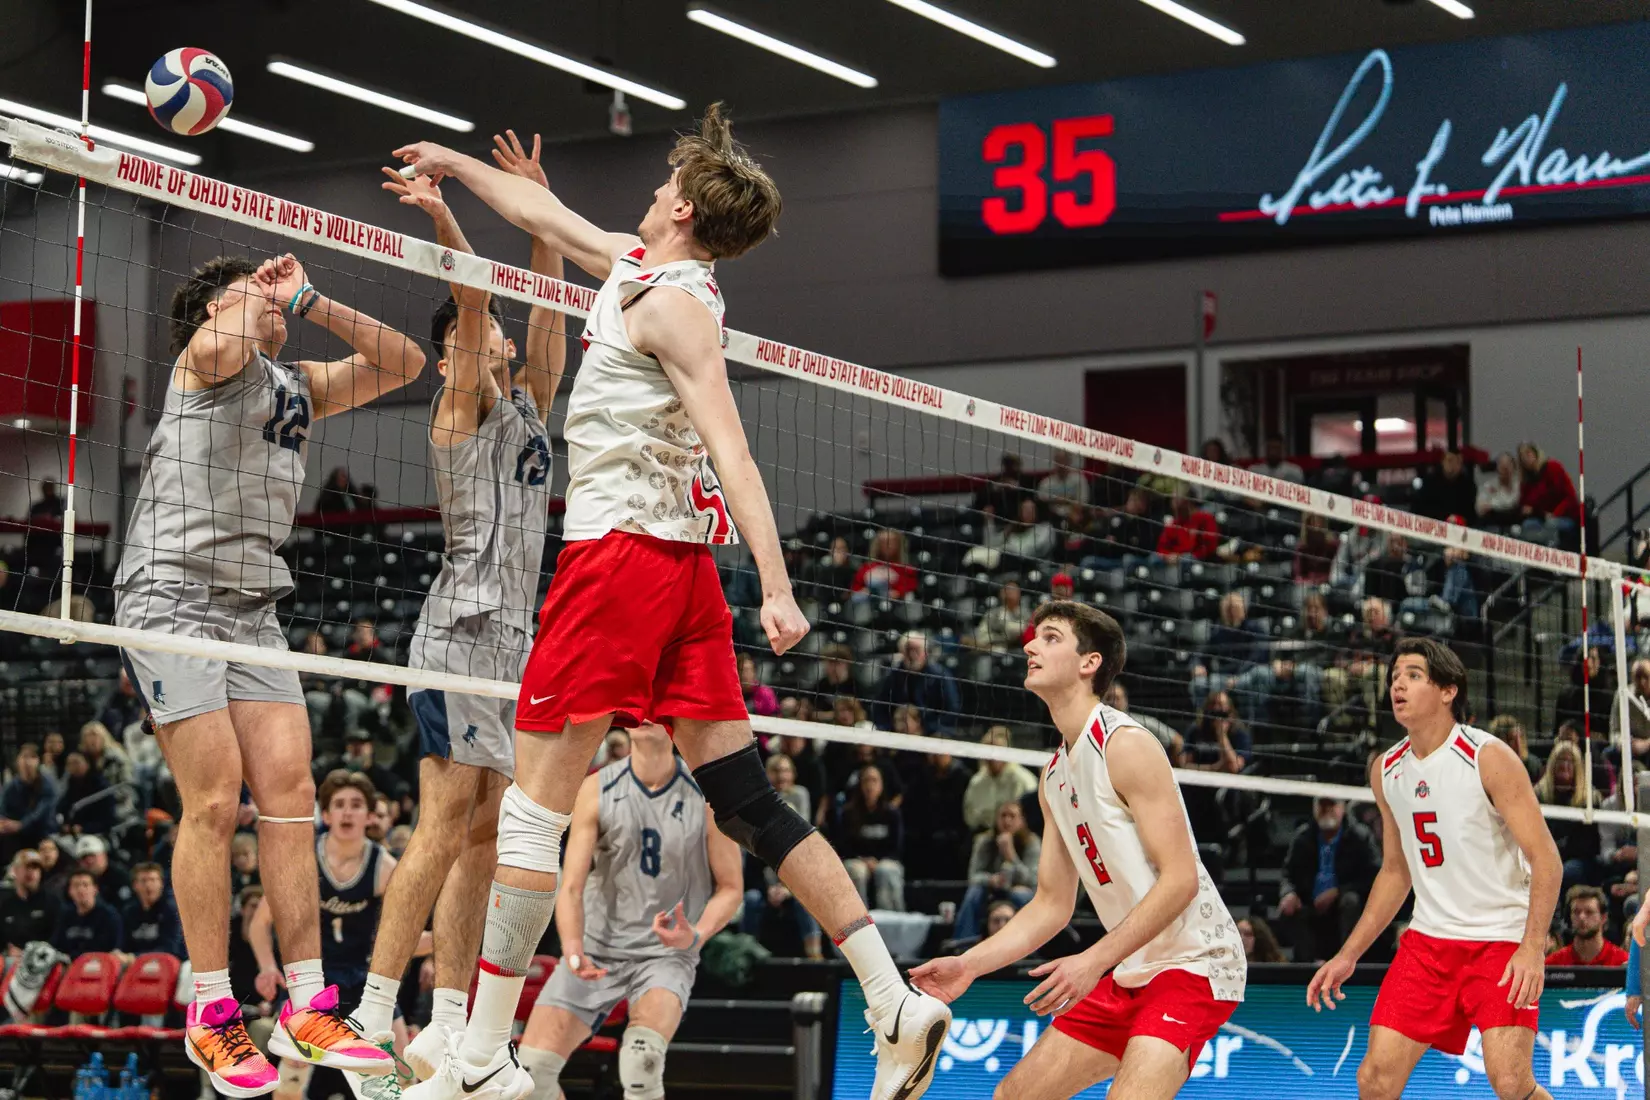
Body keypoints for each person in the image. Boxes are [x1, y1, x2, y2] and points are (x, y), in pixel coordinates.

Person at [396, 104, 949, 1100]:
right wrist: (455, 165)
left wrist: (778, 585)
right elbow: (549, 214)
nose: (648, 192)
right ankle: (891, 997)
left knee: (531, 811)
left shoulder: (676, 306)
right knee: (746, 798)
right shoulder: (635, 268)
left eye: (661, 185)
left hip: (622, 562)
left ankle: (480, 1058)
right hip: (676, 571)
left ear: (683, 210)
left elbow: (735, 449)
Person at [114, 250, 424, 1094]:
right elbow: (232, 333)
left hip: (252, 605)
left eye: (266, 295)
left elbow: (405, 363)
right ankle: (210, 1010)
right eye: (247, 295)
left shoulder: (296, 385)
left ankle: (305, 1002)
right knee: (216, 798)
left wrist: (309, 297)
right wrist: (250, 295)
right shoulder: (201, 361)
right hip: (168, 592)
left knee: (292, 795)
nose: (267, 304)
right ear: (214, 311)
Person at [355, 143, 567, 1086]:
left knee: (488, 829)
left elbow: (546, 316)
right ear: (454, 353)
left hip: (514, 645)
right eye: (478, 338)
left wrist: (542, 217)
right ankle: (368, 1011)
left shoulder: (529, 409)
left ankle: (447, 1020)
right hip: (458, 633)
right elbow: (480, 305)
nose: (502, 343)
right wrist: (445, 218)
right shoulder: (459, 403)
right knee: (445, 817)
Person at [912, 602, 1245, 1099]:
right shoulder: (1053, 777)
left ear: (1089, 662)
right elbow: (1051, 903)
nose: (1029, 645)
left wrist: (1091, 962)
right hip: (1131, 968)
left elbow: (1181, 881)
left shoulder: (1126, 745)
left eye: (1049, 637)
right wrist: (971, 964)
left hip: (1195, 963)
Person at [1305, 638, 1561, 1100]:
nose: (1397, 684)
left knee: (1510, 1082)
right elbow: (1396, 872)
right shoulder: (1385, 769)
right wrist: (1348, 954)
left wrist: (1532, 947)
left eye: (1413, 675)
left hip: (1500, 941)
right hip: (1429, 943)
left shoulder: (1488, 756)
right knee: (1374, 1080)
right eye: (1394, 677)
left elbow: (1547, 859)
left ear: (1448, 690)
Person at [515, 720, 742, 1100]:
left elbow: (732, 888)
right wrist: (572, 949)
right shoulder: (597, 787)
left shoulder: (705, 794)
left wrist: (697, 934)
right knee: (531, 1077)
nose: (646, 715)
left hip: (663, 955)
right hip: (596, 948)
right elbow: (570, 886)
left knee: (641, 1062)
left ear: (673, 722)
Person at [251, 771, 420, 1100]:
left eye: (356, 805)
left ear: (370, 815)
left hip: (363, 979)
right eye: (339, 805)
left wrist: (445, 945)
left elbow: (404, 936)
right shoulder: (304, 860)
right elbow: (259, 924)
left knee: (403, 1070)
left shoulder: (384, 866)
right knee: (291, 1076)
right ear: (325, 814)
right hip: (314, 979)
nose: (347, 812)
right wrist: (268, 966)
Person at [1277, 798, 1381, 963]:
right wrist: (1289, 893)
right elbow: (1288, 875)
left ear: (1342, 808)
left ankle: (1347, 959)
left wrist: (1338, 891)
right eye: (1322, 805)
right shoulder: (1303, 837)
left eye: (1332, 805)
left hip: (1345, 903)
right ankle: (1308, 965)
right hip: (1311, 903)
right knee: (1287, 910)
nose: (1327, 810)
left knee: (1350, 901)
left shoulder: (1360, 836)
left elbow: (1373, 876)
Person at [955, 801, 1040, 940]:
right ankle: (963, 943)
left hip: (1018, 891)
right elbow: (973, 876)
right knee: (974, 893)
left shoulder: (1032, 843)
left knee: (1023, 897)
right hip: (991, 891)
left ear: (1022, 820)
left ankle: (1031, 946)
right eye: (1003, 816)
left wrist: (1011, 855)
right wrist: (990, 880)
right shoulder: (984, 841)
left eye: (1012, 816)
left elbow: (1033, 880)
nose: (1007, 820)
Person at [832, 765, 906, 912]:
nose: (870, 785)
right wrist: (862, 859)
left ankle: (890, 918)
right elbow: (843, 846)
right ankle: (857, 920)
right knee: (856, 871)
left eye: (874, 780)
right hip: (858, 860)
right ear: (860, 785)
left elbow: (897, 847)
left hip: (885, 860)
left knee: (886, 871)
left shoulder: (892, 813)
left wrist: (877, 861)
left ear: (881, 785)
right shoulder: (848, 813)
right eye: (866, 781)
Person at [875, 631, 961, 736]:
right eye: (908, 650)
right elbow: (880, 707)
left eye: (916, 650)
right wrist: (889, 728)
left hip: (933, 730)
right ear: (902, 652)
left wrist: (927, 728)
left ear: (925, 652)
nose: (912, 655)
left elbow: (952, 709)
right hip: (898, 731)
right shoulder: (892, 676)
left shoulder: (940, 675)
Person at [962, 726, 1038, 834]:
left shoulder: (1023, 779)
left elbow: (1031, 816)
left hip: (1017, 836)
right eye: (987, 752)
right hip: (982, 834)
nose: (991, 757)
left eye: (995, 752)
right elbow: (969, 816)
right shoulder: (976, 782)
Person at [0, 744, 59, 865]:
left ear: (38, 761)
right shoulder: (12, 785)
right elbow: (3, 809)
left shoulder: (47, 784)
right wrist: (3, 823)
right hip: (16, 832)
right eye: (24, 757)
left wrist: (21, 825)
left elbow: (40, 813)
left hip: (41, 831)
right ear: (18, 761)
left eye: (32, 757)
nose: (27, 762)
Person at [1546, 885, 1628, 966]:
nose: (1582, 917)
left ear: (1603, 917)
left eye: (1589, 912)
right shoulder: (1553, 964)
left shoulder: (1622, 962)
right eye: (1576, 912)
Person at [120, 861, 184, 960]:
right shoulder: (129, 911)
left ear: (161, 884)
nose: (148, 885)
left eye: (153, 880)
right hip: (137, 964)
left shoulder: (171, 910)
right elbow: (124, 945)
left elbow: (170, 949)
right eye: (143, 880)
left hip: (170, 963)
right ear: (134, 885)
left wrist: (135, 957)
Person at [52, 868, 122, 957]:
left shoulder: (109, 915)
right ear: (70, 891)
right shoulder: (66, 915)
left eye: (85, 885)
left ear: (95, 889)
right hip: (69, 965)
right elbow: (57, 946)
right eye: (76, 885)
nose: (81, 890)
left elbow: (111, 950)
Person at [0, 849, 55, 954]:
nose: (31, 872)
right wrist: (8, 949)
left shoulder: (51, 902)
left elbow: (56, 938)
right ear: (15, 871)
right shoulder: (6, 905)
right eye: (26, 867)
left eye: (35, 868)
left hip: (43, 958)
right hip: (12, 961)